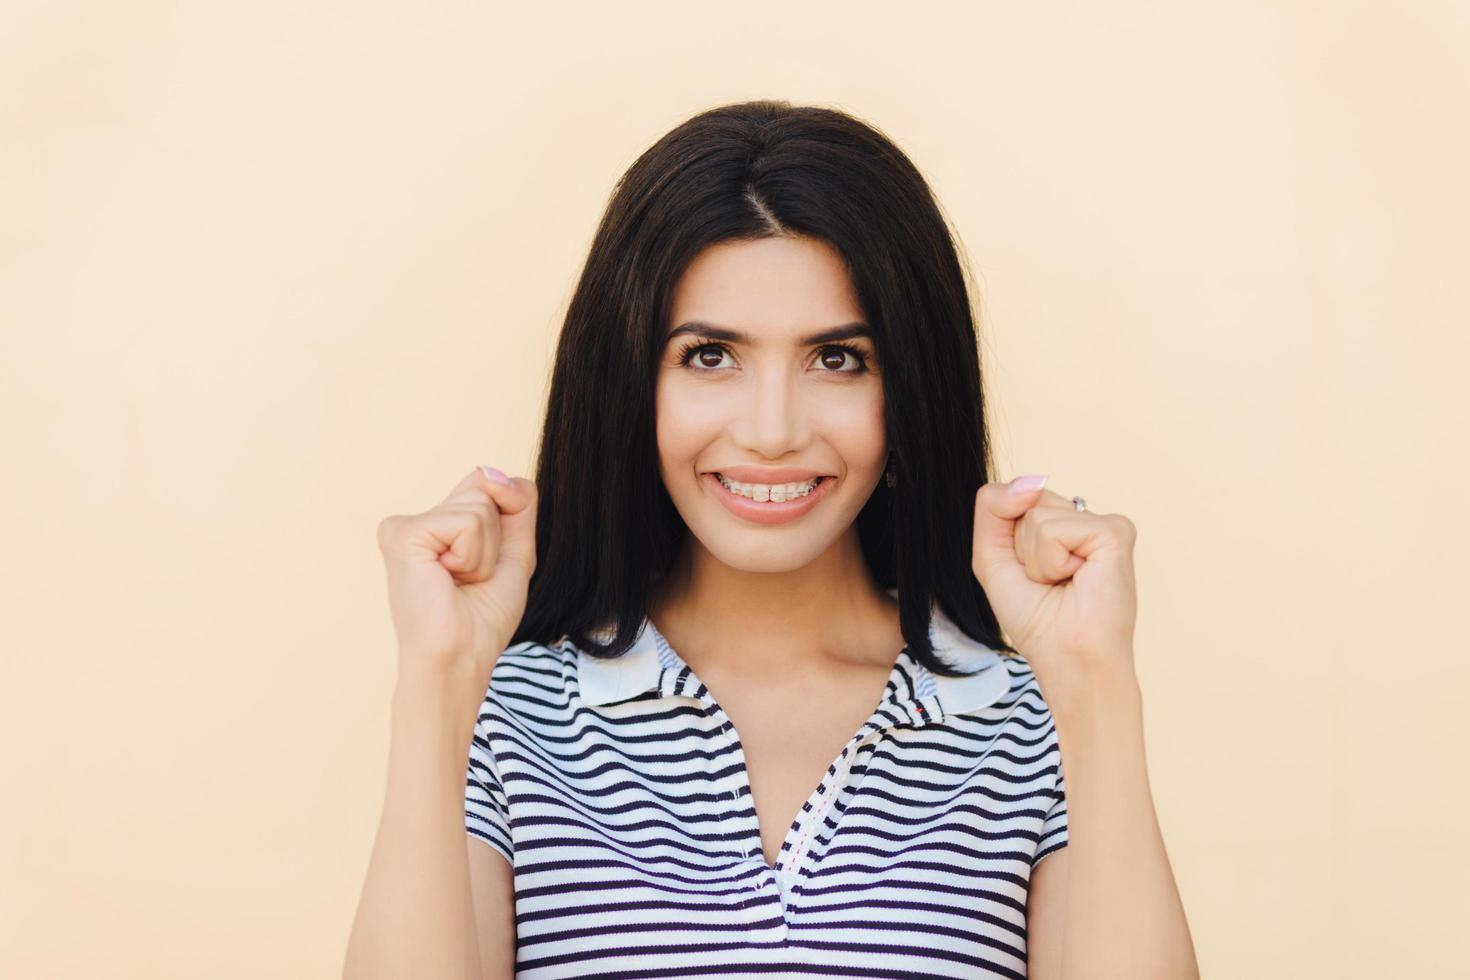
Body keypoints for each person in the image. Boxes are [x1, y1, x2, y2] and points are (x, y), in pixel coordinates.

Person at [344, 100, 1198, 979]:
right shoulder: (504, 719)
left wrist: (1096, 684)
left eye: (838, 359)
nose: (771, 430)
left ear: (909, 390)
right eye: (711, 356)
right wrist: (439, 679)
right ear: (630, 382)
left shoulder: (1029, 725)